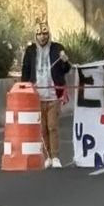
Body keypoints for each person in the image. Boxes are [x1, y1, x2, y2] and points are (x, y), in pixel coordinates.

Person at [21, 20, 71, 169]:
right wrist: (24, 87)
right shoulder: (30, 51)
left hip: (54, 94)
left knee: (52, 126)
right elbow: (25, 70)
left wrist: (65, 61)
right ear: (35, 35)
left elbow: (65, 69)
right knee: (42, 128)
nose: (42, 37)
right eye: (39, 34)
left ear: (49, 34)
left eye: (45, 33)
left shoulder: (57, 48)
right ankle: (48, 156)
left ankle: (55, 157)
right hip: (37, 95)